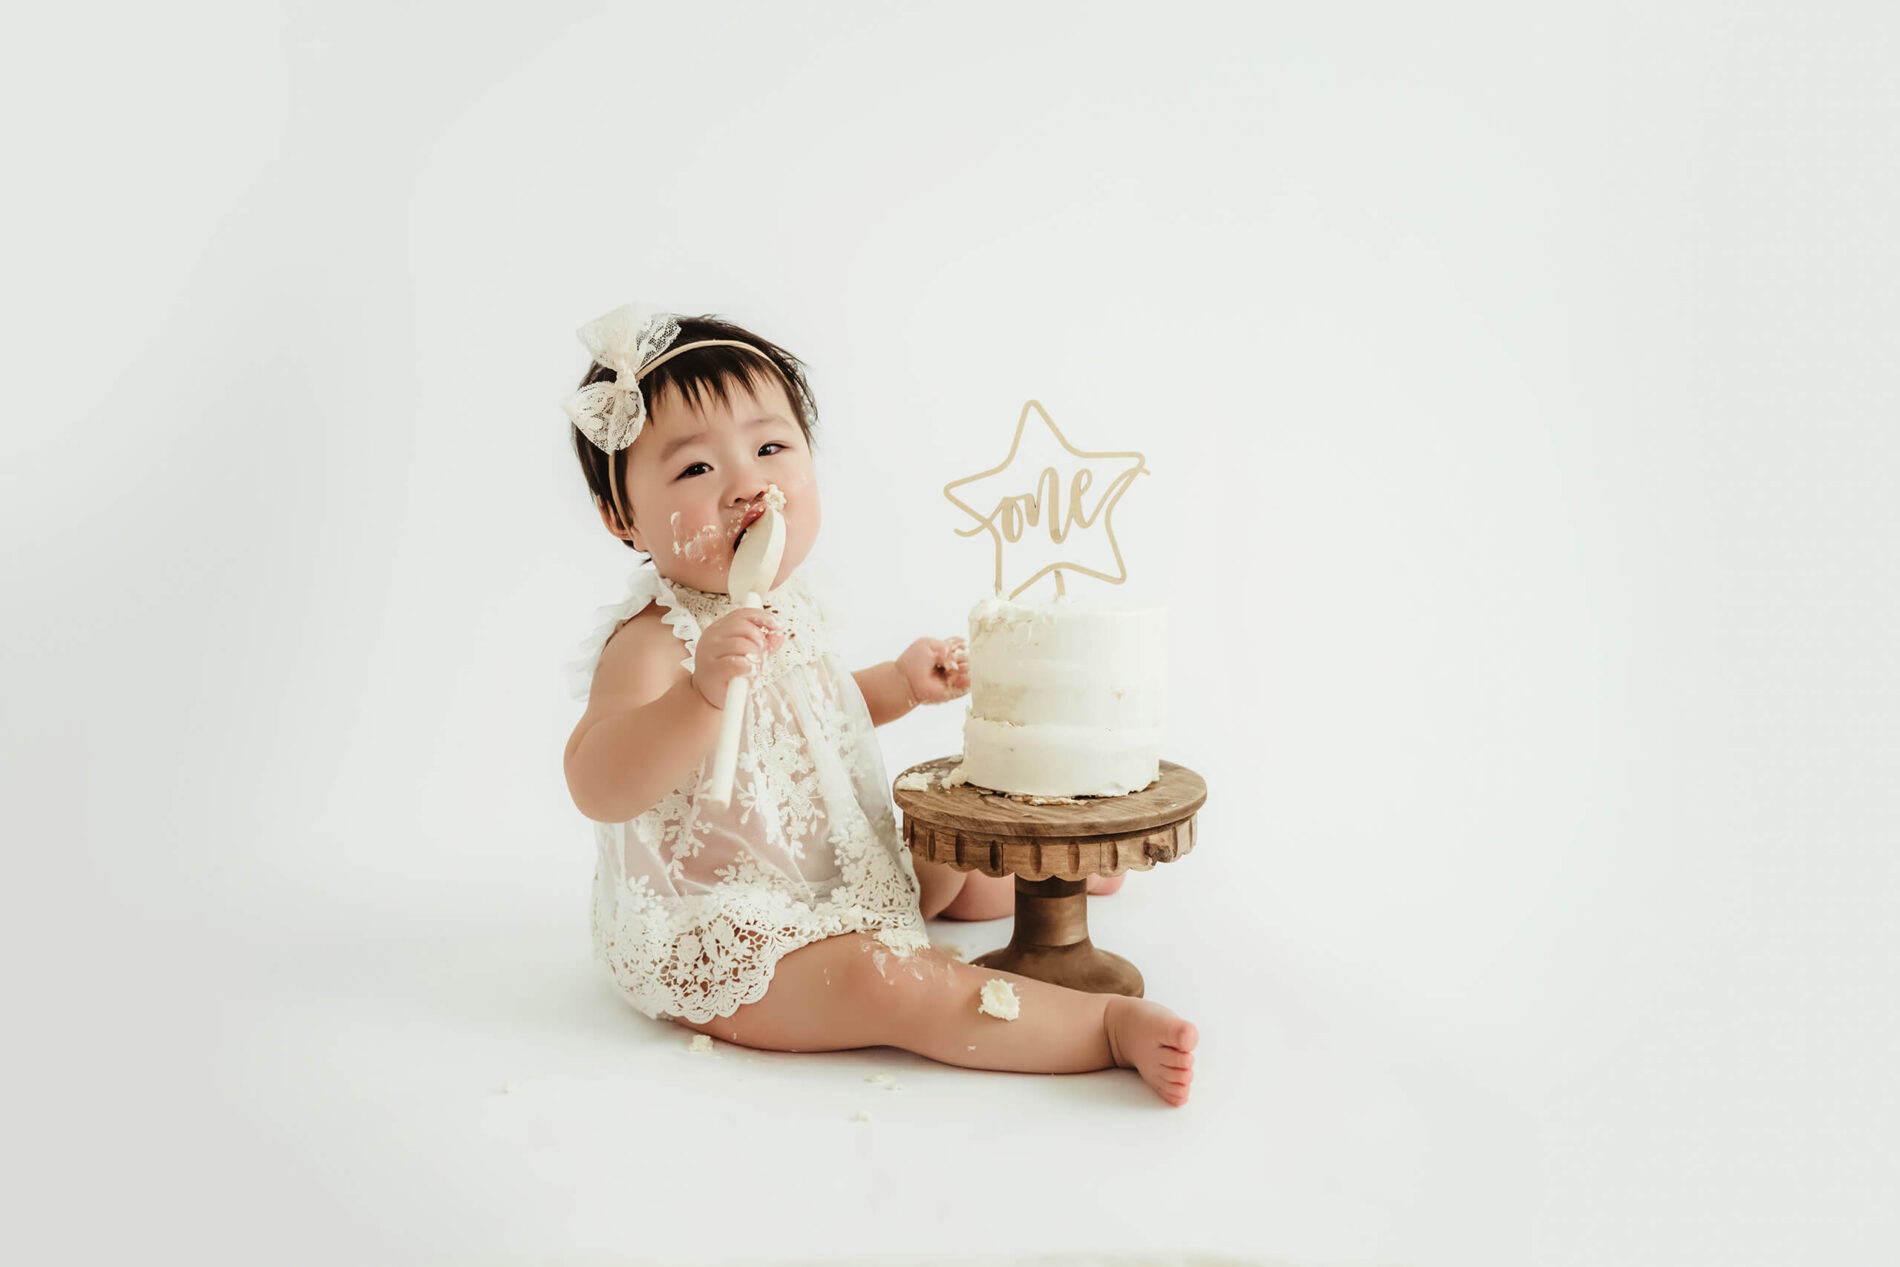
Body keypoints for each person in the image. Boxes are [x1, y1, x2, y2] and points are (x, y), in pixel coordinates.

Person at [560, 303, 1197, 1104]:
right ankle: (1099, 1027)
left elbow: (806, 714)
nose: (747, 483)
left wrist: (896, 685)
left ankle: (1054, 885)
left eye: (770, 447)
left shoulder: (784, 605)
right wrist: (696, 697)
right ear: (623, 516)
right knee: (891, 980)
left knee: (944, 847)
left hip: (834, 874)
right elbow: (595, 779)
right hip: (731, 929)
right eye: (695, 469)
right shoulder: (655, 641)